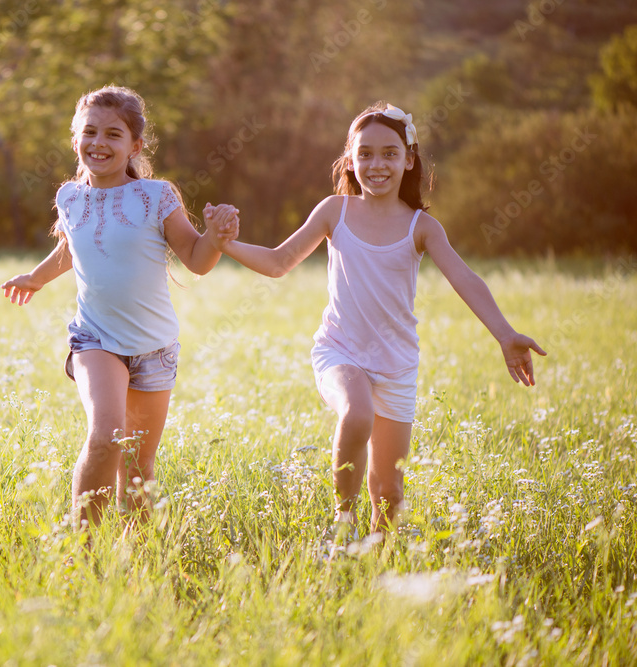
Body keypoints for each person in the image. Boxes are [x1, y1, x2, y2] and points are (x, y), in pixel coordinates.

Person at [210, 101, 546, 535]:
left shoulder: (421, 227)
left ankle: (375, 556)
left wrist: (505, 334)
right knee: (356, 414)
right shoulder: (336, 211)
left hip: (396, 364)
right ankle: (343, 525)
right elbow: (279, 262)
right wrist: (225, 244)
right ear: (350, 160)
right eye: (365, 153)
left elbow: (466, 279)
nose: (377, 164)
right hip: (340, 350)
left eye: (389, 153)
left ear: (409, 160)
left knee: (389, 493)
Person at [1, 85, 239, 533]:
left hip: (155, 349)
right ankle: (85, 548)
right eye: (89, 132)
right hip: (95, 338)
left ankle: (138, 552)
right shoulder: (70, 197)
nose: (99, 143)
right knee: (106, 434)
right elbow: (71, 251)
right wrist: (33, 279)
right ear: (75, 140)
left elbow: (196, 260)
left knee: (137, 467)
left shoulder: (156, 196)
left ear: (135, 145)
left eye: (113, 134)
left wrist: (216, 238)